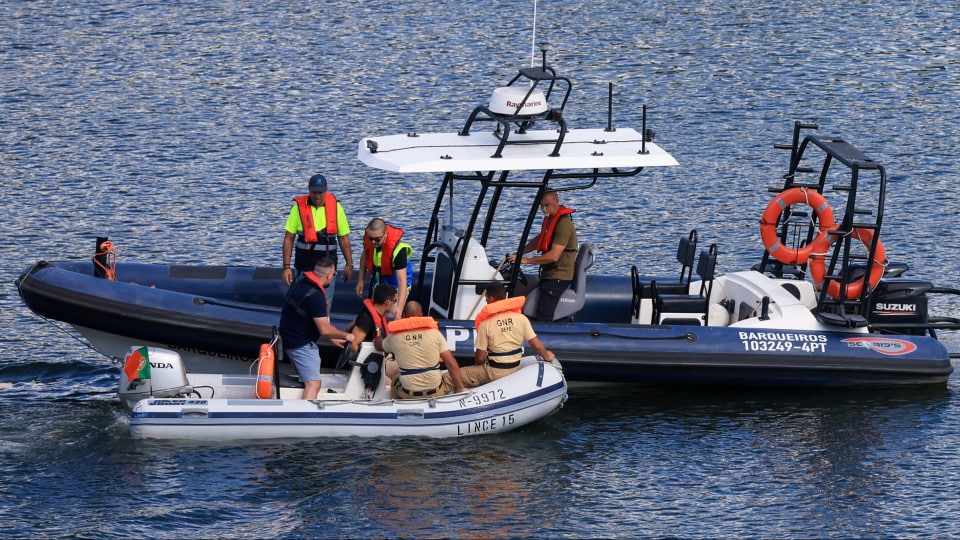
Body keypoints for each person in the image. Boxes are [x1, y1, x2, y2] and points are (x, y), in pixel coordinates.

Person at [447, 282, 555, 389]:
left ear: (492, 298)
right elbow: (536, 345)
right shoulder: (522, 319)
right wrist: (547, 356)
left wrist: (478, 369)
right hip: (514, 367)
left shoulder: (486, 324)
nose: (486, 302)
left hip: (494, 372)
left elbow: (480, 358)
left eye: (486, 299)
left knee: (449, 377)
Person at [278, 257, 355, 399]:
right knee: (314, 383)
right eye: (334, 274)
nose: (333, 277)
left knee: (311, 380)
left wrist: (333, 338)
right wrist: (346, 336)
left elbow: (311, 320)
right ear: (328, 275)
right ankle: (305, 417)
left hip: (289, 336)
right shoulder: (316, 296)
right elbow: (324, 329)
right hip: (300, 344)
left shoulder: (301, 283)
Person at [282, 173, 354, 310]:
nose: (317, 196)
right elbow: (288, 238)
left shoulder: (336, 208)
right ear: (309, 190)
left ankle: (322, 329)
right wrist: (286, 267)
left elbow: (344, 238)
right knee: (299, 305)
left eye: (320, 192)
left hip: (327, 268)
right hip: (304, 266)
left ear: (326, 191)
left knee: (323, 307)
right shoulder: (298, 208)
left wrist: (349, 264)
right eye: (314, 192)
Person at [509, 190, 578, 321]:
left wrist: (526, 260)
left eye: (547, 205)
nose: (544, 209)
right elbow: (540, 240)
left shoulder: (563, 224)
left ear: (557, 202)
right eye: (541, 206)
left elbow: (553, 256)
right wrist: (520, 253)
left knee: (543, 316)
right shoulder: (551, 220)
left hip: (558, 277)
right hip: (549, 274)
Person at [382, 300, 467, 399]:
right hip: (435, 392)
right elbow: (451, 363)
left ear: (404, 315)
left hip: (409, 394)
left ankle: (395, 406)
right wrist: (460, 388)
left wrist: (378, 339)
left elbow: (382, 346)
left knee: (396, 380)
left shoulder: (394, 337)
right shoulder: (435, 334)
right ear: (422, 315)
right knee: (445, 378)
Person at [354, 218, 414, 319]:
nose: (373, 242)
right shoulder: (369, 240)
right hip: (378, 283)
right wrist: (360, 280)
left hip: (396, 287)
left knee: (391, 316)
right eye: (370, 238)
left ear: (385, 234)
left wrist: (399, 307)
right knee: (373, 315)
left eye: (377, 239)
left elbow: (402, 280)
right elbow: (365, 255)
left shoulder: (398, 250)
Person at [348, 283, 397, 353]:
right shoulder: (366, 318)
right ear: (387, 302)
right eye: (394, 300)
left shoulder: (379, 316)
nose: (394, 304)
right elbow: (353, 345)